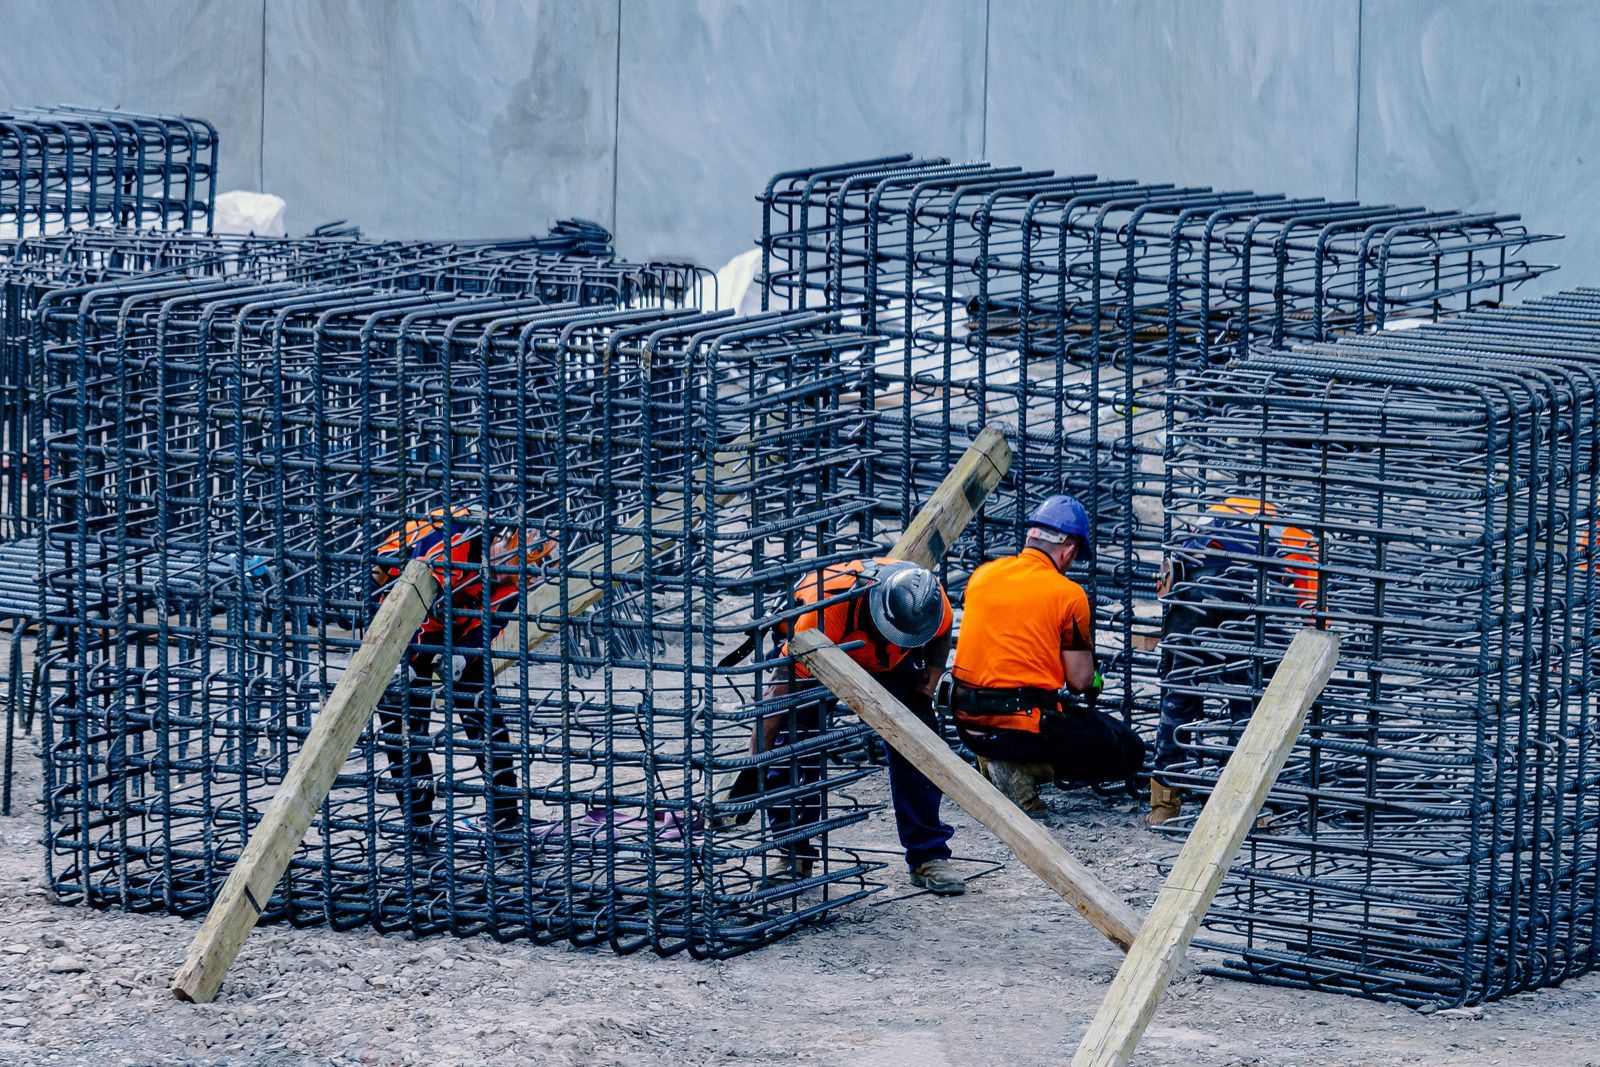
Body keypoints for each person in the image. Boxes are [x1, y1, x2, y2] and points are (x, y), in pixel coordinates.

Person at [756, 556, 966, 896]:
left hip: (890, 657)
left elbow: (940, 631)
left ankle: (928, 856)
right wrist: (757, 758)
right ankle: (794, 853)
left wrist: (936, 669)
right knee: (796, 743)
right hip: (823, 653)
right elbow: (779, 691)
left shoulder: (928, 596)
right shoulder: (824, 614)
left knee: (919, 744)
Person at [947, 494, 1146, 814]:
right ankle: (1021, 770)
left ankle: (995, 756)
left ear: (1032, 537)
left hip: (968, 723)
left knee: (1043, 708)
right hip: (1021, 726)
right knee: (1127, 749)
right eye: (1075, 556)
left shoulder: (983, 575)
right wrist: (1097, 679)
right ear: (1068, 550)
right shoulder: (1069, 595)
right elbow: (1080, 681)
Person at [371, 508, 551, 855]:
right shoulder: (451, 540)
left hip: (451, 620)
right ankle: (418, 827)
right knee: (406, 728)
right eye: (512, 565)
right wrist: (407, 658)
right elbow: (411, 599)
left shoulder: (508, 579)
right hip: (394, 614)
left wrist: (463, 656)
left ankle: (505, 820)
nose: (511, 575)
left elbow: (491, 622)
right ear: (500, 541)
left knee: (486, 719)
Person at [1148, 497, 1317, 826]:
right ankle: (1238, 806)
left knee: (1178, 698)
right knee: (1248, 704)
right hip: (1243, 602)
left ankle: (1163, 804)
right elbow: (1314, 617)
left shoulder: (1210, 518)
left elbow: (1168, 579)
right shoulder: (1296, 536)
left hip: (1190, 599)